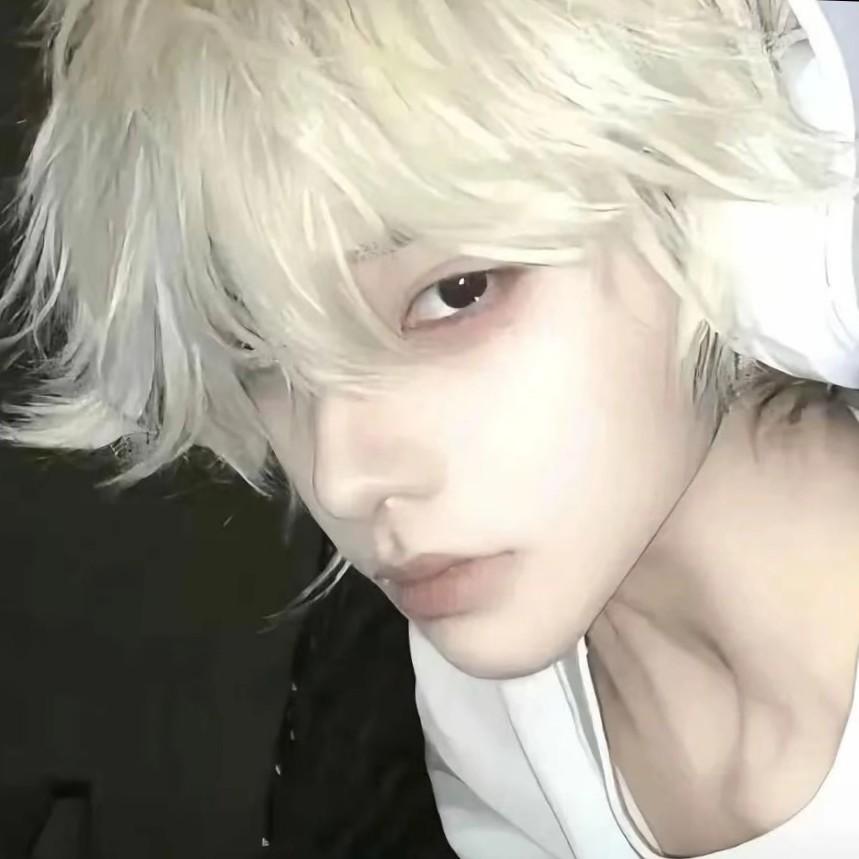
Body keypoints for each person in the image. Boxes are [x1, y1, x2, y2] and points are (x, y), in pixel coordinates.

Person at [1, 0, 858, 856]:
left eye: (456, 292)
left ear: (731, 214)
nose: (339, 475)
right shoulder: (479, 711)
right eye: (257, 350)